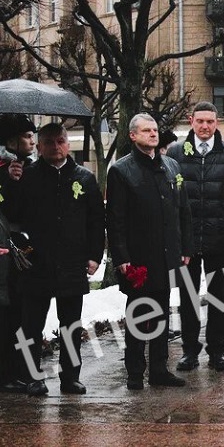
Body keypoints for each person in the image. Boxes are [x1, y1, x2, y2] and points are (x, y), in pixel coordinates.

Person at [5, 123, 105, 396]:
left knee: (71, 325)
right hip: (36, 263)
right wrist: (12, 184)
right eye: (48, 142)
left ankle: (70, 377)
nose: (55, 146)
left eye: (60, 140)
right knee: (31, 326)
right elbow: (12, 215)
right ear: (39, 146)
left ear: (67, 143)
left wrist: (95, 255)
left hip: (72, 262)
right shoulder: (27, 176)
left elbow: (96, 220)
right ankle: (32, 377)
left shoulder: (84, 177)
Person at [107, 113, 193, 390]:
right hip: (137, 258)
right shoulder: (121, 170)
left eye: (155, 130)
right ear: (133, 135)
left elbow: (183, 212)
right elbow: (115, 219)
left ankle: (159, 368)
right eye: (146, 130)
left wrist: (185, 247)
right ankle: (134, 370)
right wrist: (122, 258)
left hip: (166, 253)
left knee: (162, 313)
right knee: (138, 314)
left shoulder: (171, 166)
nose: (153, 134)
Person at [166, 102, 224, 373]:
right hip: (187, 242)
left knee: (219, 297)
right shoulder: (177, 152)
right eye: (200, 121)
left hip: (220, 240)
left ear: (217, 123)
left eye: (210, 122)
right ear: (191, 121)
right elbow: (171, 199)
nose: (205, 126)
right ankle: (190, 351)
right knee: (188, 298)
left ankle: (217, 351)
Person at [0, 114, 36, 394]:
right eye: (26, 135)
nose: (32, 140)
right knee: (8, 313)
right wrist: (10, 182)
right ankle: (7, 373)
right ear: (11, 141)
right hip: (6, 254)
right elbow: (10, 212)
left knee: (19, 313)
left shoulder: (27, 167)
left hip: (23, 251)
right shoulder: (5, 169)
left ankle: (18, 370)